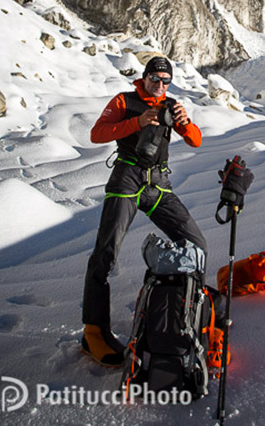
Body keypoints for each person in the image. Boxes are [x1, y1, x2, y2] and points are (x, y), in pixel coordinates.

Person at [81, 55, 206, 366]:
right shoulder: (125, 100)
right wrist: (137, 122)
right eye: (155, 79)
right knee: (105, 254)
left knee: (196, 246)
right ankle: (93, 333)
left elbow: (195, 141)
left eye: (166, 81)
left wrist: (184, 122)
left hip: (159, 183)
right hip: (127, 177)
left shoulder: (170, 104)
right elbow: (97, 134)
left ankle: (182, 315)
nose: (160, 86)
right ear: (144, 77)